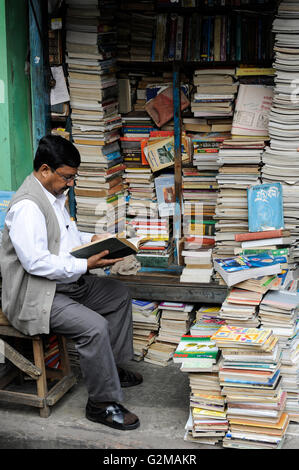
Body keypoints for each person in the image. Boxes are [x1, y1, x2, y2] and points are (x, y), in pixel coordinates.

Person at [0, 135, 142, 431]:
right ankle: (101, 403)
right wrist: (85, 264)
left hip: (64, 283)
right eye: (67, 177)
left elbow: (64, 240)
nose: (71, 183)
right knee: (93, 327)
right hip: (37, 295)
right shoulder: (27, 207)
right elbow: (36, 262)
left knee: (117, 295)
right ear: (44, 170)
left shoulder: (54, 197)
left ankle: (110, 370)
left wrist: (92, 241)